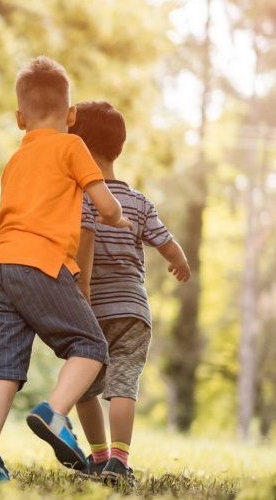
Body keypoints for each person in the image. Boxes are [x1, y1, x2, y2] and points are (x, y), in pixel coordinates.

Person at [0, 56, 132, 485]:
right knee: (91, 347)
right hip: (40, 262)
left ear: (20, 119)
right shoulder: (72, 146)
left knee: (1, 368)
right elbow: (104, 201)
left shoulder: (16, 160)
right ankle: (55, 413)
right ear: (71, 116)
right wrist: (118, 218)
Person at [69, 101, 190, 488]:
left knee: (83, 388)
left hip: (90, 310)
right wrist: (181, 263)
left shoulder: (78, 198)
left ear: (79, 148)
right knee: (124, 383)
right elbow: (167, 243)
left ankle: (100, 456)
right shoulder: (138, 201)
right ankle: (119, 461)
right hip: (134, 311)